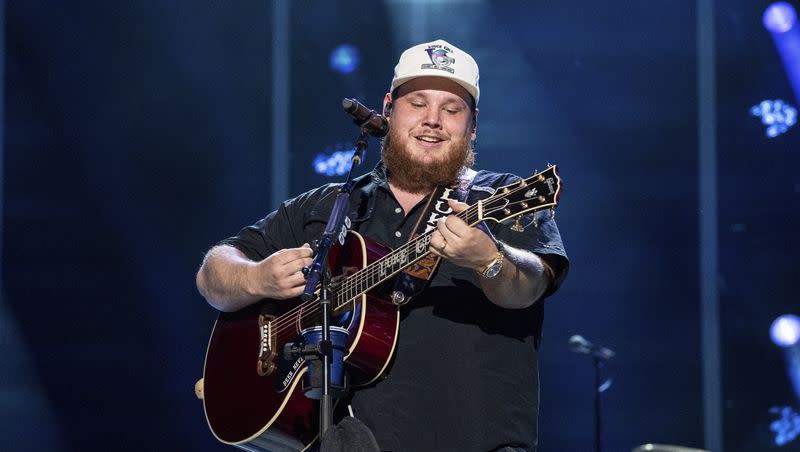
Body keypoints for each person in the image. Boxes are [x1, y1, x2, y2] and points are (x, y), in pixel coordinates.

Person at [196, 39, 569, 452]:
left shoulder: (500, 196)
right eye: (417, 104)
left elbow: (530, 286)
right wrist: (257, 277)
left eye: (451, 109)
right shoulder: (330, 204)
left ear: (472, 125)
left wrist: (490, 261)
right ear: (388, 109)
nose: (433, 121)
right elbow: (214, 273)